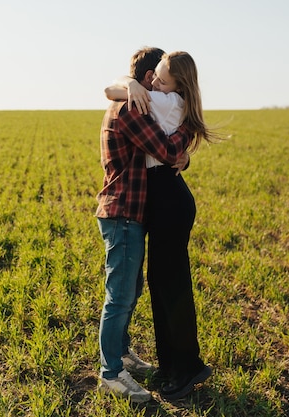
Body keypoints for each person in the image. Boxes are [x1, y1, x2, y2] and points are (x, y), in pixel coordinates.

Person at [105, 51, 222, 400]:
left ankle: (185, 368)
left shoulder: (157, 101)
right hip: (164, 202)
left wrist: (128, 85)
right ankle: (174, 366)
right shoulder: (165, 101)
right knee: (163, 285)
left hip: (168, 204)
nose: (155, 82)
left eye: (162, 78)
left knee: (170, 287)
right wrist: (129, 83)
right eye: (153, 76)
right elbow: (173, 147)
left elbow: (109, 91)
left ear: (175, 86)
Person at [95, 47, 194, 403]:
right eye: (162, 76)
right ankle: (111, 372)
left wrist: (183, 154)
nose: (165, 86)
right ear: (150, 76)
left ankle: (121, 354)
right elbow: (165, 150)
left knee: (129, 291)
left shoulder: (136, 101)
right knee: (119, 296)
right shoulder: (132, 108)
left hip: (129, 214)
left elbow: (161, 151)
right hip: (123, 213)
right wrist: (185, 141)